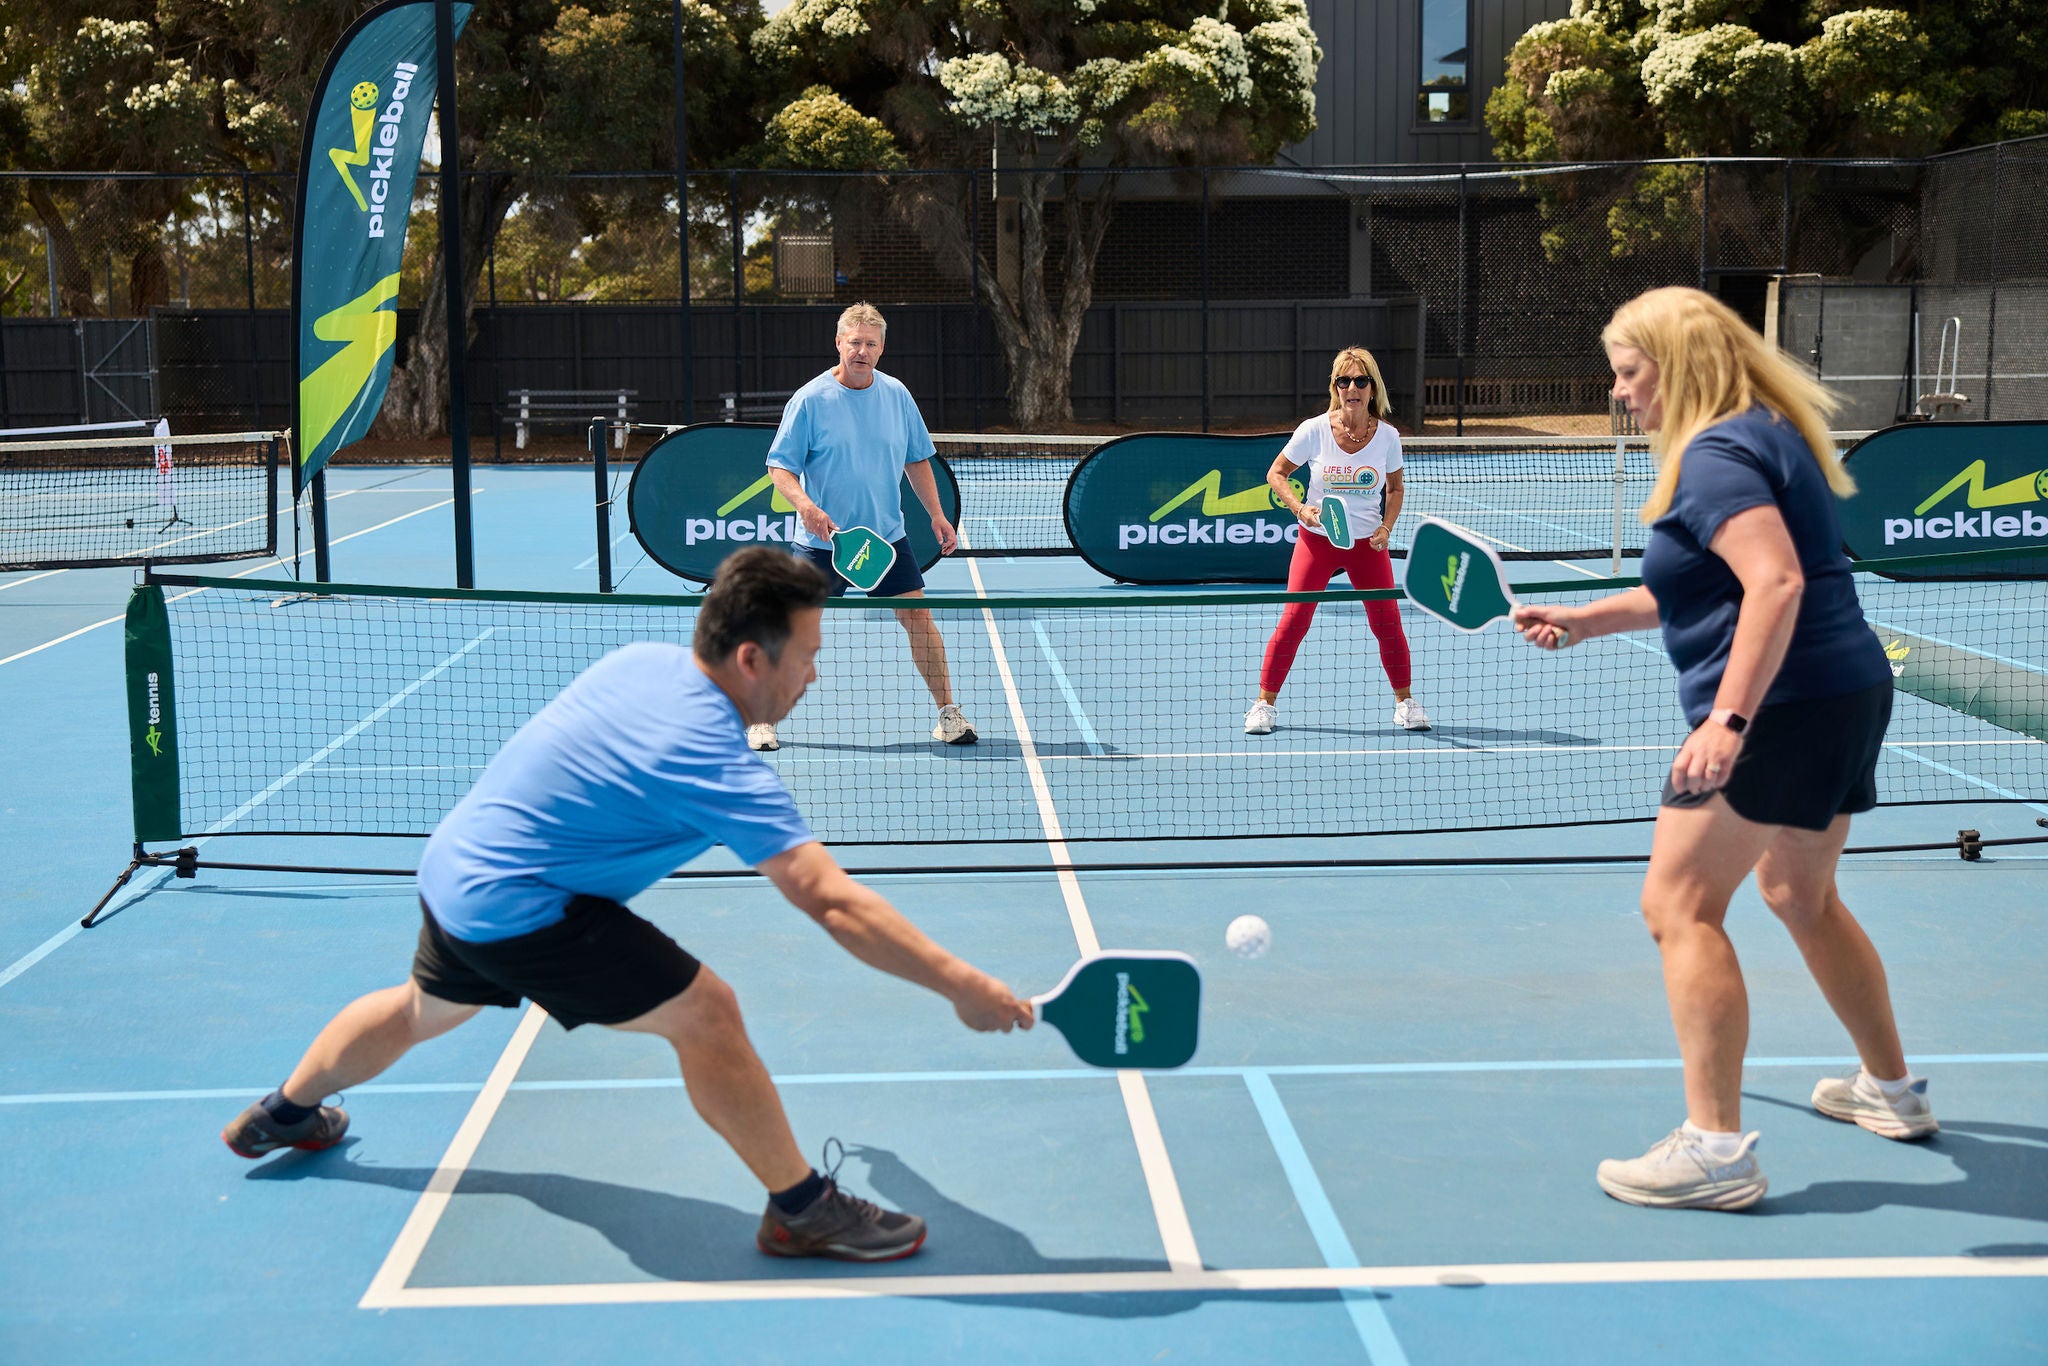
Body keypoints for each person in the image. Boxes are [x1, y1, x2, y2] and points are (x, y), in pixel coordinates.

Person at [221, 547, 1034, 1261]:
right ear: (752, 659)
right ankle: (802, 1213)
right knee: (708, 1014)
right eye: (809, 657)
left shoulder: (642, 660)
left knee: (423, 1009)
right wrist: (961, 984)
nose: (815, 675)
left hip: (456, 867)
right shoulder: (715, 758)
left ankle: (285, 1113)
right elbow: (833, 904)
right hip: (520, 904)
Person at [1513, 286, 1934, 1212]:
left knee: (1678, 904)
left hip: (1780, 710)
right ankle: (1892, 1090)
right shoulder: (1767, 430)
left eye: (1629, 372)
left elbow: (1774, 583)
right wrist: (1585, 621)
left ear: (1678, 365)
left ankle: (1714, 1150)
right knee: (1799, 893)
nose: (1621, 392)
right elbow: (1705, 589)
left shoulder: (1713, 458)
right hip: (1845, 692)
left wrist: (1728, 720)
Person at [753, 302, 975, 752]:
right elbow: (780, 467)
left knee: (918, 619)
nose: (861, 351)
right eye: (854, 342)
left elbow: (917, 459)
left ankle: (948, 714)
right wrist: (807, 507)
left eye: (870, 343)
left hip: (886, 539)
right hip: (820, 544)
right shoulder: (810, 400)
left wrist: (936, 514)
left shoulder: (897, 395)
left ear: (882, 348)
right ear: (839, 343)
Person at [1245, 346, 1429, 736]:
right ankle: (1263, 704)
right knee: (1294, 620)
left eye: (1360, 380)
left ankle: (1405, 704)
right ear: (1335, 387)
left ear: (1373, 388)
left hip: (1368, 545)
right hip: (1317, 541)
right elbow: (1276, 474)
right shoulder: (1314, 430)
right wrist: (1300, 509)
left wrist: (1386, 529)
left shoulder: (1388, 437)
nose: (1352, 388)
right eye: (1343, 380)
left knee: (1388, 623)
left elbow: (1394, 489)